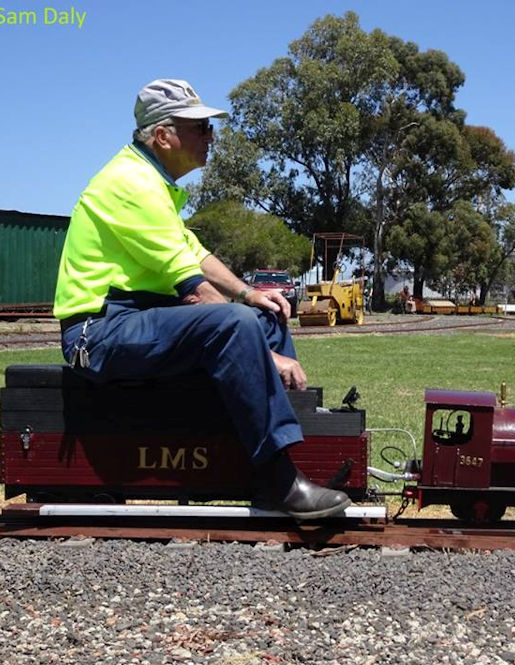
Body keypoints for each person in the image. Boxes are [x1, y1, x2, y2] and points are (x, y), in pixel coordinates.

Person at [53, 79, 350, 519]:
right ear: (162, 136)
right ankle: (279, 481)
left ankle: (269, 459)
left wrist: (251, 294)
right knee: (239, 325)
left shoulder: (154, 183)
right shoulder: (129, 184)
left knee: (265, 315)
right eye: (200, 128)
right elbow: (194, 290)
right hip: (97, 332)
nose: (210, 136)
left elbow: (194, 253)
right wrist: (266, 355)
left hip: (136, 318)